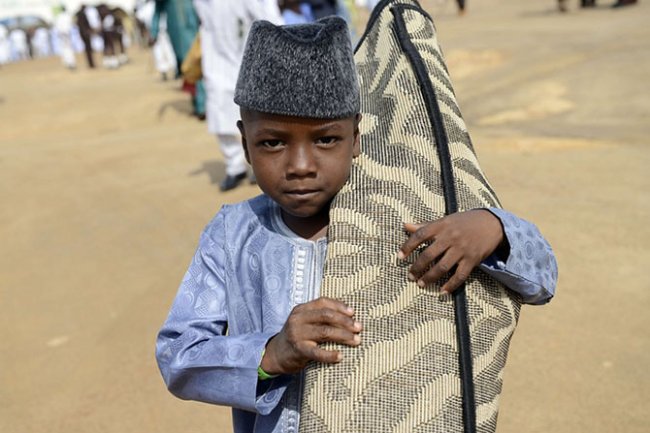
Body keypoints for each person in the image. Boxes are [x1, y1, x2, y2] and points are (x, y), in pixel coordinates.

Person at [155, 17, 557, 432]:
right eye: (272, 142)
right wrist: (271, 354)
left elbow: (542, 279)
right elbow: (178, 354)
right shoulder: (232, 233)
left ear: (357, 137)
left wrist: (493, 228)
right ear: (244, 143)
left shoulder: (403, 213)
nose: (300, 167)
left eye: (326, 139)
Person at [192, 0, 283, 191]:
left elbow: (270, 18)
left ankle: (261, 164)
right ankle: (234, 166)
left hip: (250, 57)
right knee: (218, 111)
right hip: (217, 60)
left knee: (260, 115)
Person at [54, 5, 77, 70]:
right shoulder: (67, 16)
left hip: (62, 34)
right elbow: (71, 24)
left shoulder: (59, 16)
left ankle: (68, 62)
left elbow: (57, 26)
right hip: (67, 34)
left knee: (65, 48)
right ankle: (71, 62)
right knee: (68, 48)